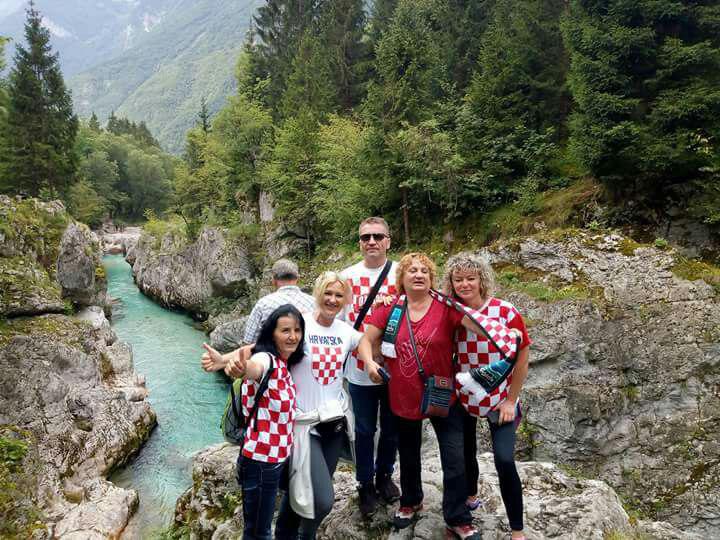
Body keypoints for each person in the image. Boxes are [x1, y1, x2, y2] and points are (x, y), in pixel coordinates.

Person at [358, 253, 512, 540]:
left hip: (443, 393)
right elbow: (366, 339)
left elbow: (477, 326)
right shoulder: (391, 307)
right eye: (412, 270)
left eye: (424, 271)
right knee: (408, 453)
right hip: (403, 394)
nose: (419, 275)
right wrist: (369, 362)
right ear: (402, 278)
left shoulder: (445, 307)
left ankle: (457, 517)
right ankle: (411, 500)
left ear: (431, 278)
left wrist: (505, 332)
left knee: (454, 457)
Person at [265, 271, 363, 540]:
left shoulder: (345, 332)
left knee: (300, 489)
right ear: (318, 293)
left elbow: (368, 341)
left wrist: (387, 306)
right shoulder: (301, 326)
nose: (332, 299)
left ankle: (284, 535)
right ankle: (305, 536)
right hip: (303, 425)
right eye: (327, 293)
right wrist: (230, 360)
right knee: (322, 501)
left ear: (345, 300)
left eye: (338, 295)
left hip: (333, 424)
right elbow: (265, 348)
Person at [442, 252, 530, 540]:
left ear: (482, 280)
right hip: (465, 395)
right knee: (465, 453)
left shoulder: (505, 311)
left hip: (500, 397)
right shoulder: (451, 313)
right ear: (451, 283)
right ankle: (470, 495)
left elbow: (522, 358)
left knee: (504, 459)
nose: (464, 284)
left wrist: (511, 400)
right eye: (458, 279)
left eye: (471, 278)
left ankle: (517, 530)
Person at [203, 304, 305, 540]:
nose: (293, 336)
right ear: (272, 334)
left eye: (297, 330)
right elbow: (253, 367)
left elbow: (250, 348)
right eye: (285, 330)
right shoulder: (266, 360)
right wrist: (239, 368)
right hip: (260, 461)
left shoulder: (283, 361)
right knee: (258, 533)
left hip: (276, 459)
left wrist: (223, 359)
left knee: (261, 528)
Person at [339, 216, 400, 515]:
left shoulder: (401, 272)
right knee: (363, 429)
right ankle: (364, 483)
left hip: (396, 367)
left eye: (377, 236)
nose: (372, 242)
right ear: (360, 243)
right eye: (366, 237)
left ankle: (385, 475)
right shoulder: (347, 277)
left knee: (391, 426)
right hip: (358, 368)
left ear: (388, 240)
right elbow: (337, 322)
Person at [202, 258, 315, 372]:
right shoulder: (314, 303)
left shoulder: (264, 304)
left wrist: (223, 361)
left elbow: (249, 343)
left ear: (273, 280)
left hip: (270, 369)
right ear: (297, 278)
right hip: (307, 368)